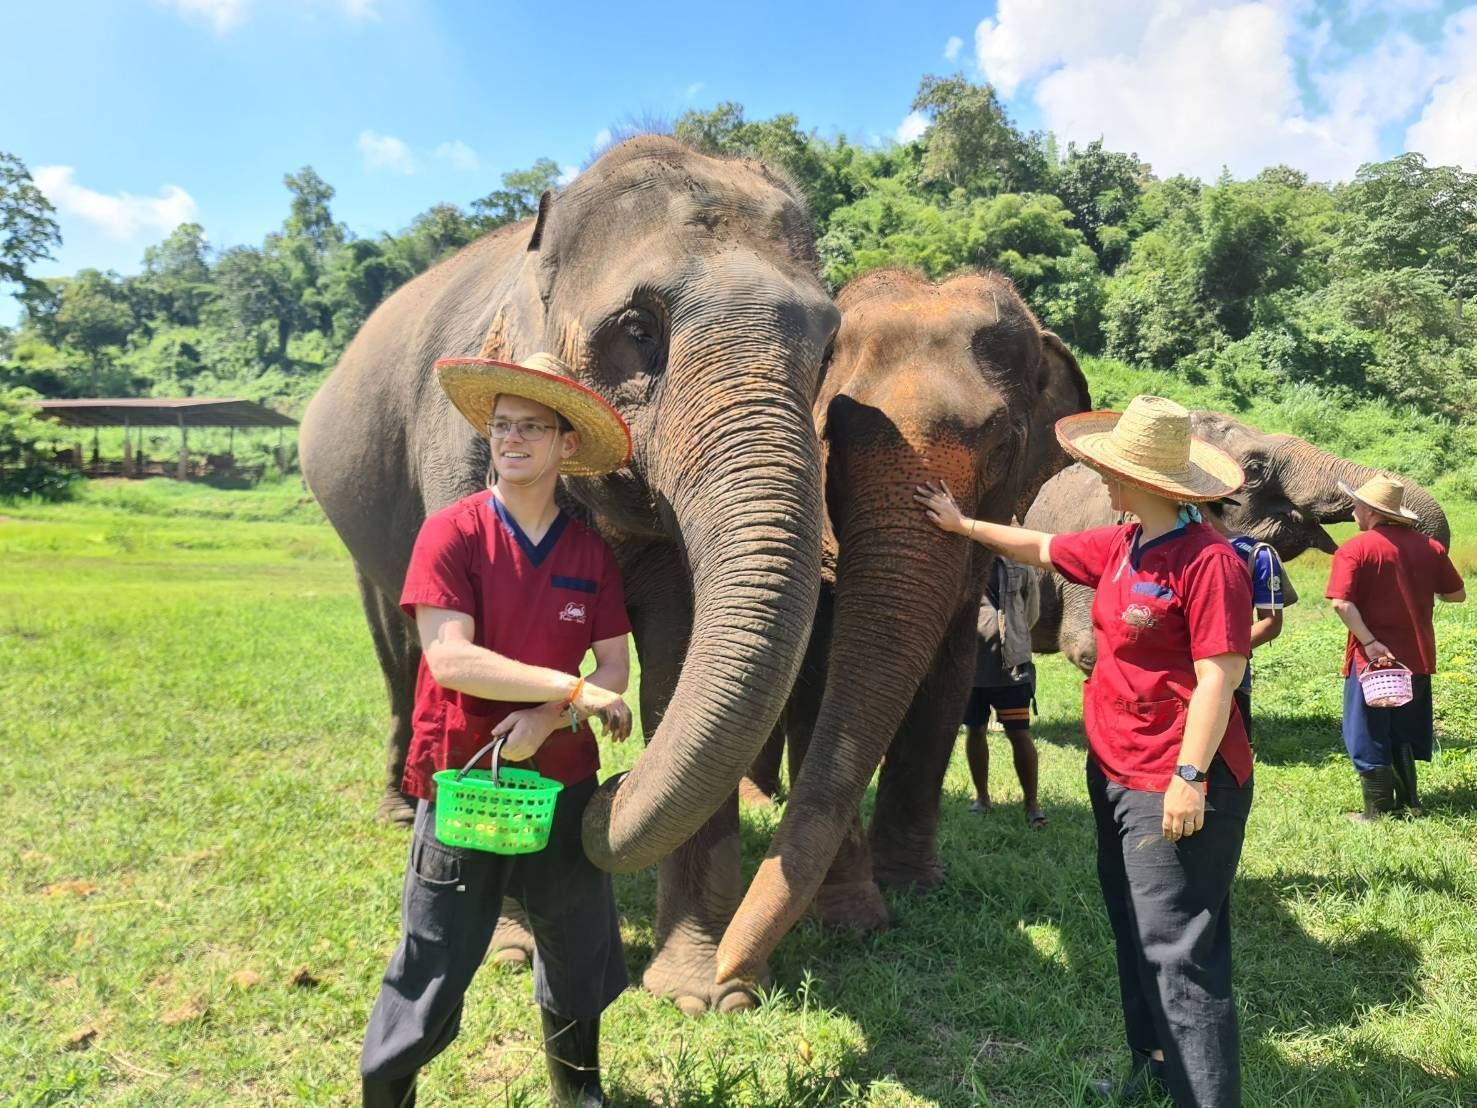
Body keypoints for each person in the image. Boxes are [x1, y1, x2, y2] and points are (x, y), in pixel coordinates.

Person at [916, 395, 1254, 1108]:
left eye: (1111, 470)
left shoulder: (1208, 562)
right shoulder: (1124, 544)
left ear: (1146, 482)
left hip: (1174, 776)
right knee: (1133, 925)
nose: (1100, 478)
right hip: (1115, 770)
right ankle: (1157, 1065)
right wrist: (961, 524)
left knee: (1179, 949)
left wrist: (1189, 776)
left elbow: (1219, 674)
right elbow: (1040, 548)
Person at [359, 352, 637, 1108]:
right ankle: (386, 1093)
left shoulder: (588, 553)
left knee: (580, 949)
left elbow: (615, 671)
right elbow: (451, 659)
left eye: (530, 428)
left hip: (563, 786)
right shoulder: (451, 532)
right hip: (465, 779)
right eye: (500, 426)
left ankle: (578, 1093)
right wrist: (568, 687)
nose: (509, 440)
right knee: (435, 957)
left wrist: (553, 715)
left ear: (566, 445)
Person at [1325, 475, 1464, 822]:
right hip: (1416, 658)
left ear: (1372, 511)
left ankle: (1377, 812)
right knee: (1403, 728)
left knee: (1367, 730)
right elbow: (1456, 595)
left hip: (1373, 661)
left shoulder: (1355, 549)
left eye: (1356, 506)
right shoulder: (1429, 548)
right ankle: (1411, 803)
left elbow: (1341, 604)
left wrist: (1370, 642)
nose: (1352, 511)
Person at [964, 554, 1046, 828]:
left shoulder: (1018, 561)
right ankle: (982, 797)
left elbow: (1031, 611)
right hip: (971, 664)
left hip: (1010, 666)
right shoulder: (963, 559)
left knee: (1019, 733)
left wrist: (1014, 638)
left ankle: (1032, 803)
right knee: (974, 730)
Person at [1203, 499, 1293, 745]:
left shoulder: (1256, 553)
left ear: (1196, 507)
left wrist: (1217, 656)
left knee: (1230, 762)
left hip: (1231, 678)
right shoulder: (1166, 551)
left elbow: (1270, 623)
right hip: (1171, 679)